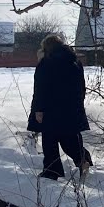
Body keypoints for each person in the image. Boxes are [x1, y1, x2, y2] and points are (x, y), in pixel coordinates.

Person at [27, 34, 92, 181]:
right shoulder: (75, 61)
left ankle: (52, 171)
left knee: (50, 140)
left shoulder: (46, 62)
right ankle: (82, 160)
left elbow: (40, 88)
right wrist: (78, 104)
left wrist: (38, 109)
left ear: (46, 48)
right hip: (72, 108)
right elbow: (81, 86)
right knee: (70, 138)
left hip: (51, 109)